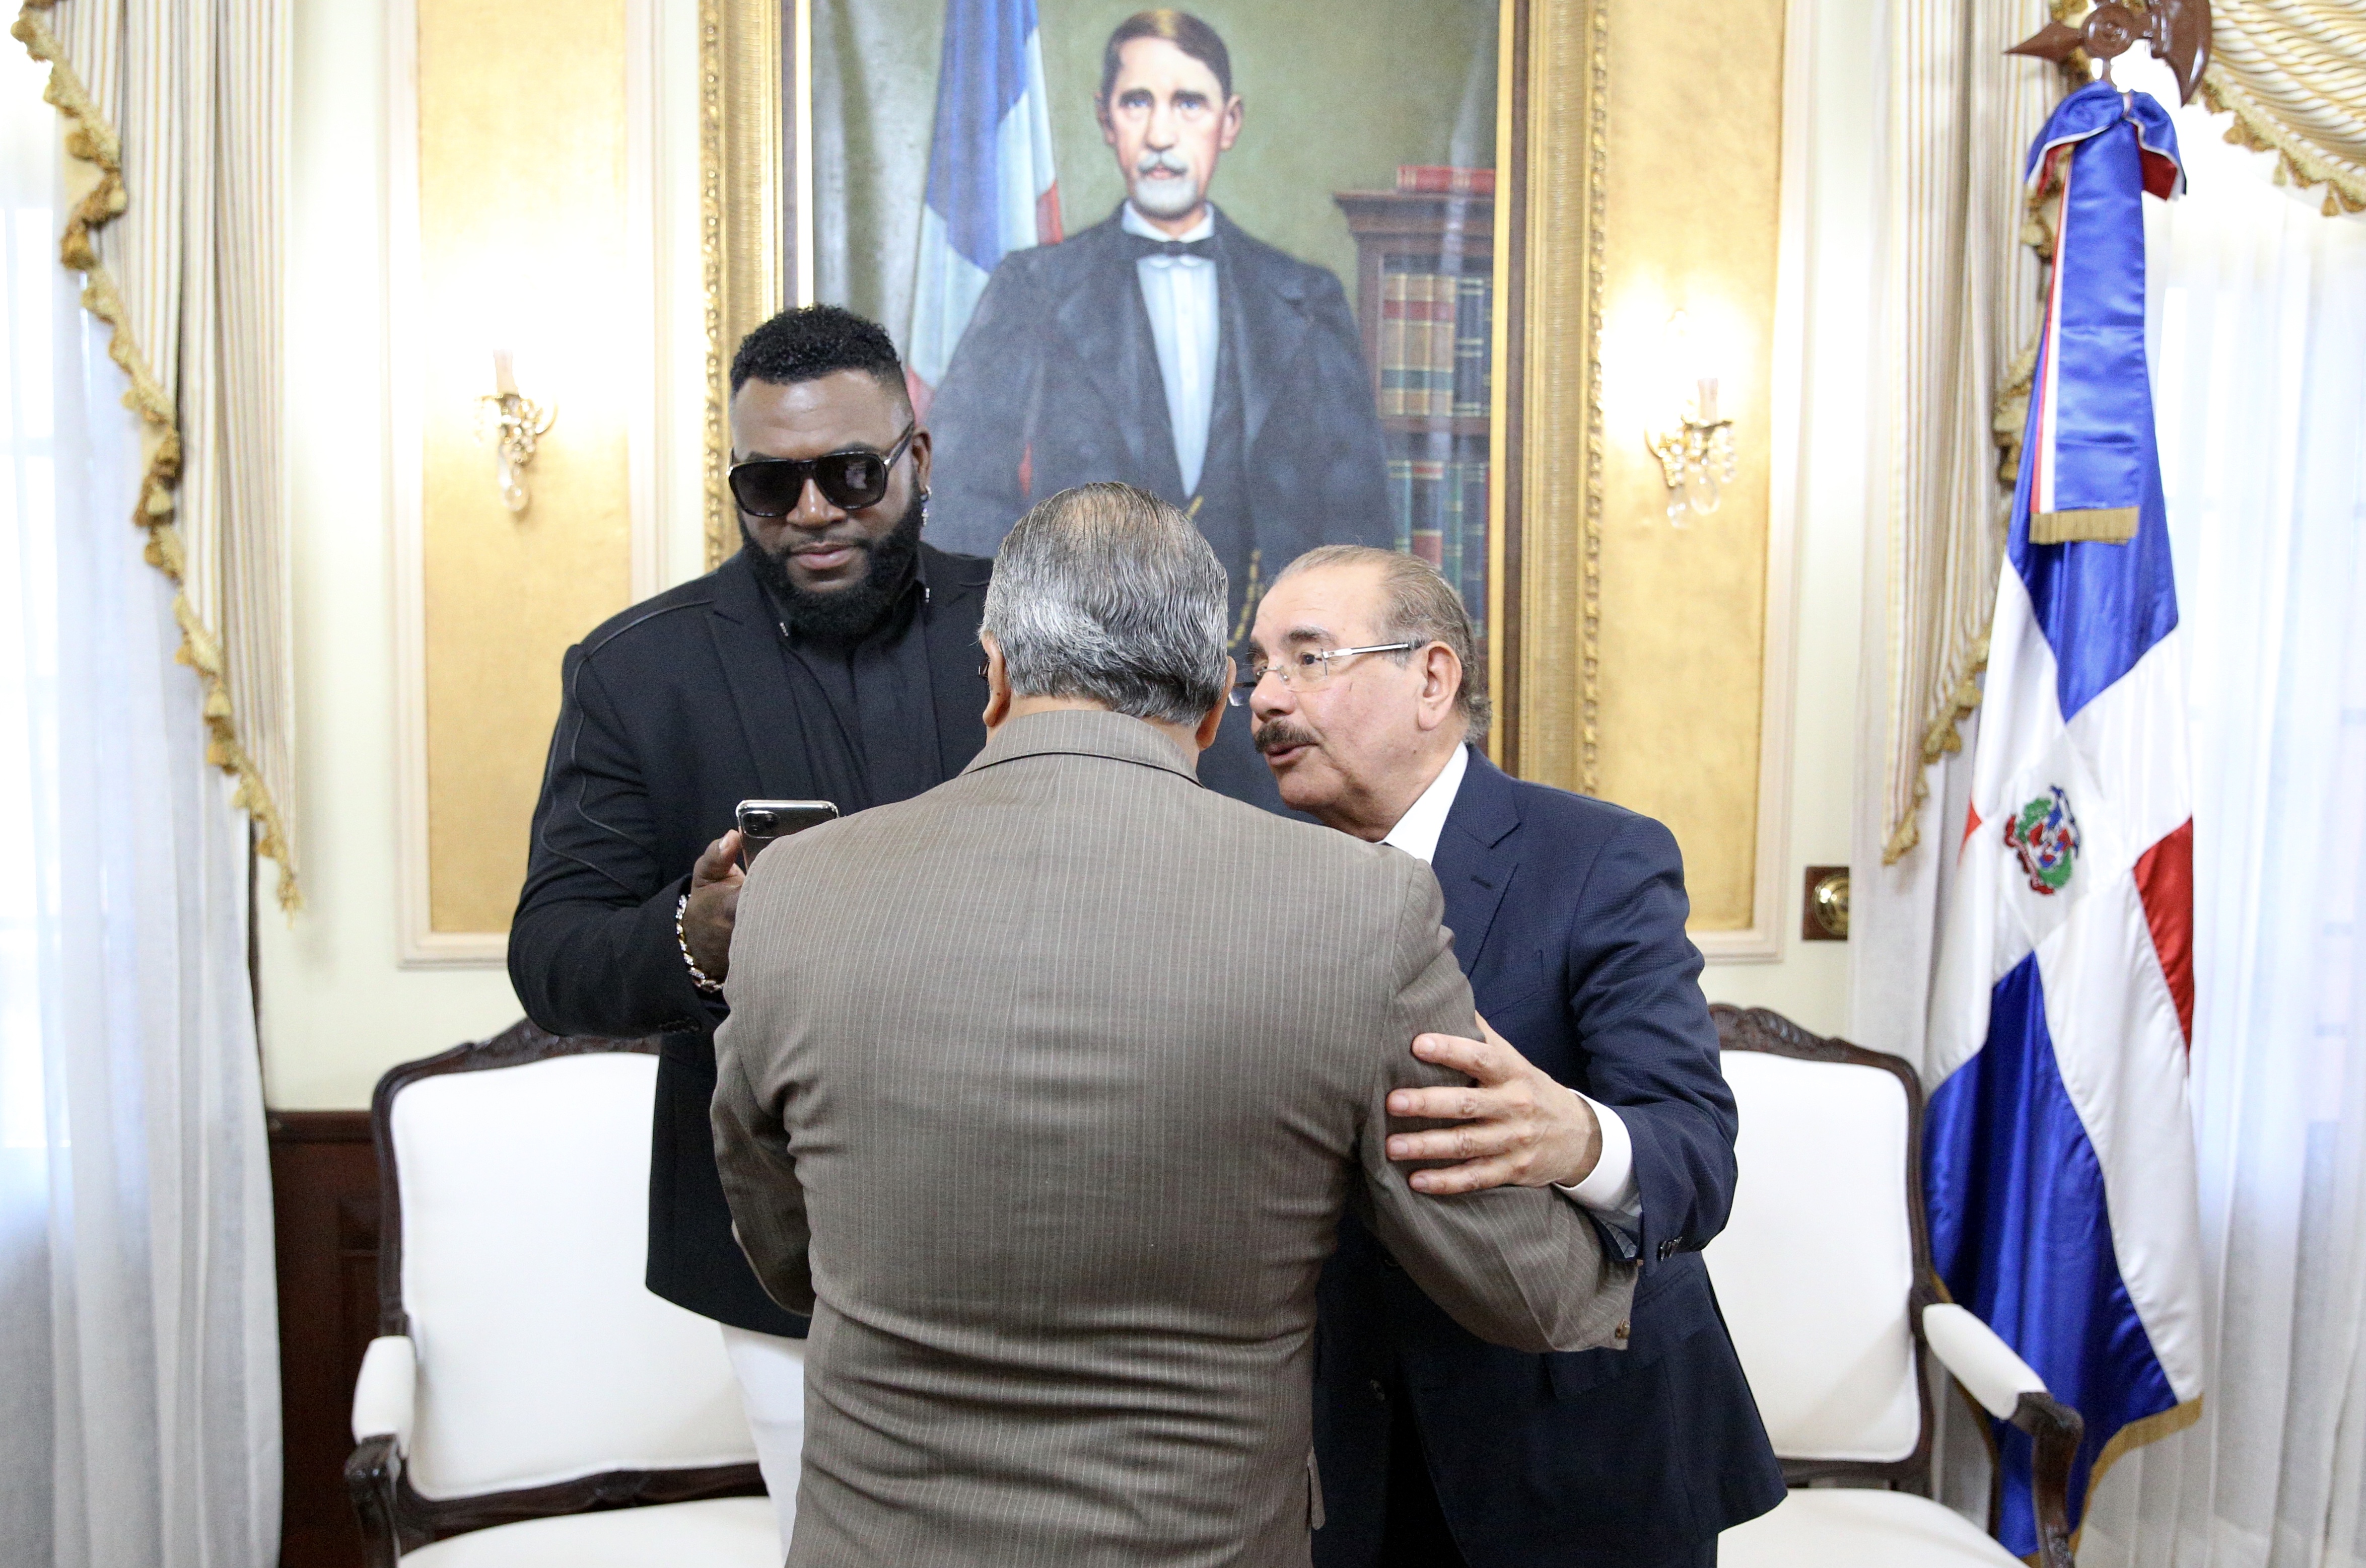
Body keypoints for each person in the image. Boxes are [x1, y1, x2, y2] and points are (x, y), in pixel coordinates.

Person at [710, 484, 1636, 1567]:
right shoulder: (1357, 909)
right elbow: (1524, 1287)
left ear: (995, 675)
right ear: (1213, 705)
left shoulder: (795, 888)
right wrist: (1603, 1182)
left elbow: (785, 1248)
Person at [507, 305, 994, 1550]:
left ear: (918, 461)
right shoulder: (636, 672)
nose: (814, 512)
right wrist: (694, 935)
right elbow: (553, 956)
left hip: (1033, 1220)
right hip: (783, 1252)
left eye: (852, 474)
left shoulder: (1029, 631)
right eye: (771, 486)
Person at [1244, 546, 1785, 1568]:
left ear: (1431, 679)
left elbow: (1695, 1158)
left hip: (1580, 1453)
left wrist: (1576, 1137)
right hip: (1342, 1467)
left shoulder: (1599, 859)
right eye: (1259, 667)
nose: (1267, 698)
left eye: (1308, 659)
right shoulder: (1259, 882)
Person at [924, 8, 1391, 813]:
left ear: (1229, 121)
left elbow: (1359, 532)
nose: (1163, 134)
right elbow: (964, 502)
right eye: (1138, 102)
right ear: (1106, 119)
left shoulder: (1306, 299)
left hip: (1265, 718)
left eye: (1189, 103)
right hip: (1075, 721)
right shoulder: (1034, 289)